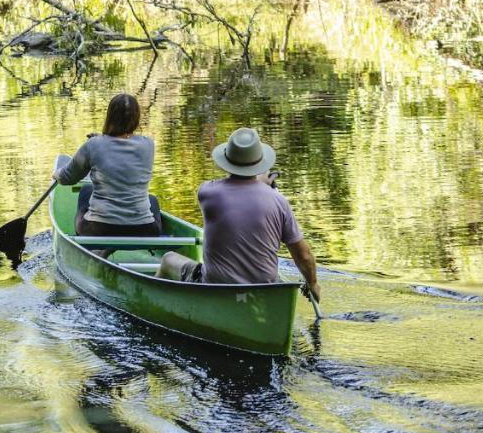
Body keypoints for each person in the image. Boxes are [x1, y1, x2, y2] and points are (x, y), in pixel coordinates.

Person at [159, 127, 320, 300]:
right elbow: (303, 255)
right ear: (259, 164)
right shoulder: (279, 201)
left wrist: (261, 183)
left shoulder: (208, 192)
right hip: (265, 290)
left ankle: (157, 304)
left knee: (168, 259)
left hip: (216, 287)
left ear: (227, 161)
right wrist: (312, 284)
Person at [52, 93, 162, 237]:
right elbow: (121, 146)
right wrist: (101, 139)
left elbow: (68, 178)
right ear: (136, 119)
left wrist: (56, 174)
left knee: (86, 190)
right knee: (151, 199)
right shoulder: (148, 145)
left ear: (110, 117)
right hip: (145, 229)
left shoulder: (94, 145)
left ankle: (93, 247)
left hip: (98, 228)